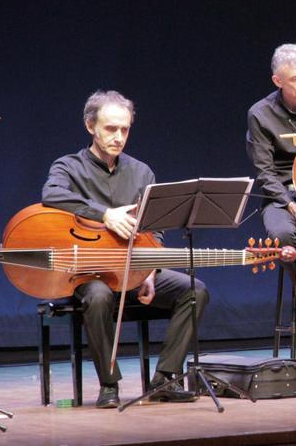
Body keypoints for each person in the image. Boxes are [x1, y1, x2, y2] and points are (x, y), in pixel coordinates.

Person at [42, 90, 206, 407]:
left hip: (135, 269)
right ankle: (109, 385)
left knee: (195, 291)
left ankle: (165, 379)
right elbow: (51, 195)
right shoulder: (68, 167)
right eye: (110, 129)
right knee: (100, 295)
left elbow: (154, 229)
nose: (118, 137)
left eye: (125, 130)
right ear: (91, 126)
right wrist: (102, 214)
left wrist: (150, 271)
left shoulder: (142, 172)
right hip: (90, 273)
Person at [246, 44, 296, 278]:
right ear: (278, 81)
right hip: (283, 195)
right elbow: (265, 173)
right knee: (282, 236)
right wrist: (294, 208)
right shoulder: (260, 114)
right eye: (295, 78)